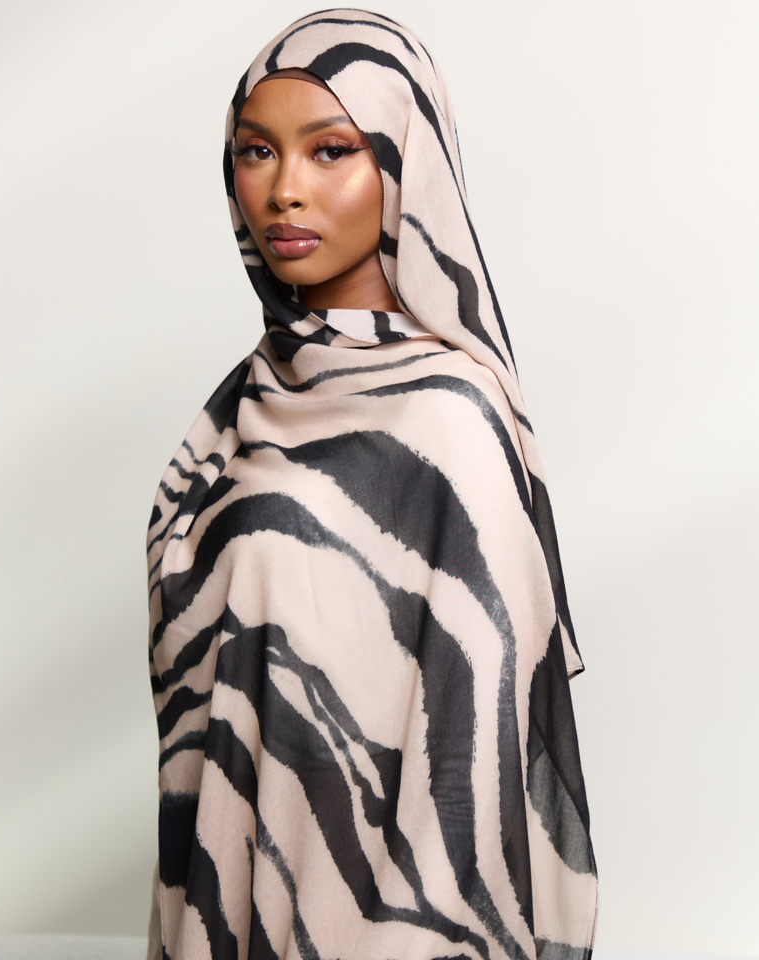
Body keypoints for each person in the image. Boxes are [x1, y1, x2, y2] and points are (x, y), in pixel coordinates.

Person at [146, 10, 597, 960]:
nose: (285, 189)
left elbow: (472, 771)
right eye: (257, 152)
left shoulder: (451, 423)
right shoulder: (241, 407)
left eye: (331, 150)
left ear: (404, 163)